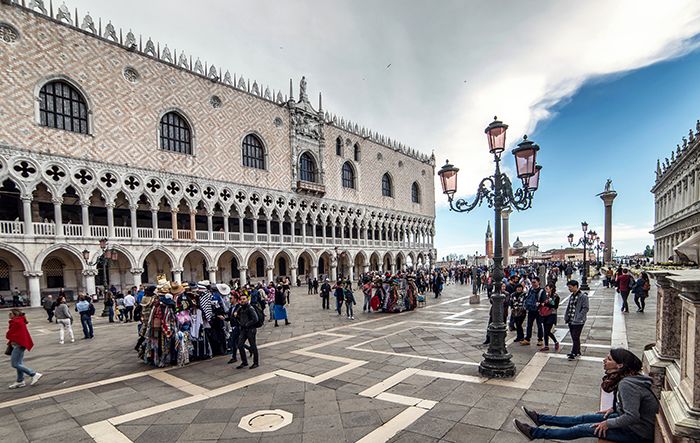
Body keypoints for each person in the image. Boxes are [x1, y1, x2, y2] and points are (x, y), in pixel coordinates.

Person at [513, 348, 658, 442]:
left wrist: (608, 423)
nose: (604, 361)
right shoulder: (630, 378)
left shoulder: (627, 384)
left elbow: (632, 416)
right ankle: (540, 418)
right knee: (582, 418)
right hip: (629, 422)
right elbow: (633, 407)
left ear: (620, 365)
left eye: (608, 359)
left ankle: (535, 433)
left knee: (581, 429)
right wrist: (614, 409)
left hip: (637, 433)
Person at [5, 309, 42, 389]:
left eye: (10, 313)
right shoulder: (20, 321)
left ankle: (33, 374)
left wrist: (8, 335)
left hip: (18, 344)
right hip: (21, 344)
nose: (9, 314)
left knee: (15, 364)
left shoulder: (15, 322)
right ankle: (20, 381)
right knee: (19, 363)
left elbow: (9, 335)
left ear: (14, 314)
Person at [564, 280, 588, 360]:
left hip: (578, 321)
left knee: (575, 336)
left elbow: (585, 308)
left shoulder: (583, 296)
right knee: (574, 337)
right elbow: (569, 307)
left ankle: (573, 352)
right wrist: (566, 316)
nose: (569, 289)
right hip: (571, 319)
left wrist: (578, 317)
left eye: (570, 287)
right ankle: (577, 351)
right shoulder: (572, 296)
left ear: (575, 286)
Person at [235, 293, 259, 369]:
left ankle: (256, 362)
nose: (242, 301)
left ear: (247, 300)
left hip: (250, 330)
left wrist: (247, 324)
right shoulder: (241, 308)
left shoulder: (250, 308)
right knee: (240, 345)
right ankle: (244, 362)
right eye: (241, 299)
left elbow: (255, 319)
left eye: (244, 299)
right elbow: (241, 318)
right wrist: (237, 316)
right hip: (243, 330)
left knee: (253, 345)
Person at [522, 277, 545, 346]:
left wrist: (539, 304)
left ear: (538, 282)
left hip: (538, 311)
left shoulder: (542, 291)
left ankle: (540, 339)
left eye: (534, 282)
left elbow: (543, 301)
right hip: (531, 310)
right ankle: (527, 339)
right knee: (529, 325)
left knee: (539, 325)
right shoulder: (531, 289)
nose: (533, 284)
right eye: (532, 282)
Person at [539, 283, 560, 352]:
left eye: (547, 288)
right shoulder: (546, 296)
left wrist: (545, 304)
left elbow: (555, 306)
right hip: (545, 314)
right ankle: (546, 345)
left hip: (551, 315)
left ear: (551, 288)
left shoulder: (556, 296)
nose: (546, 290)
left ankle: (556, 342)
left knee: (547, 331)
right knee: (545, 331)